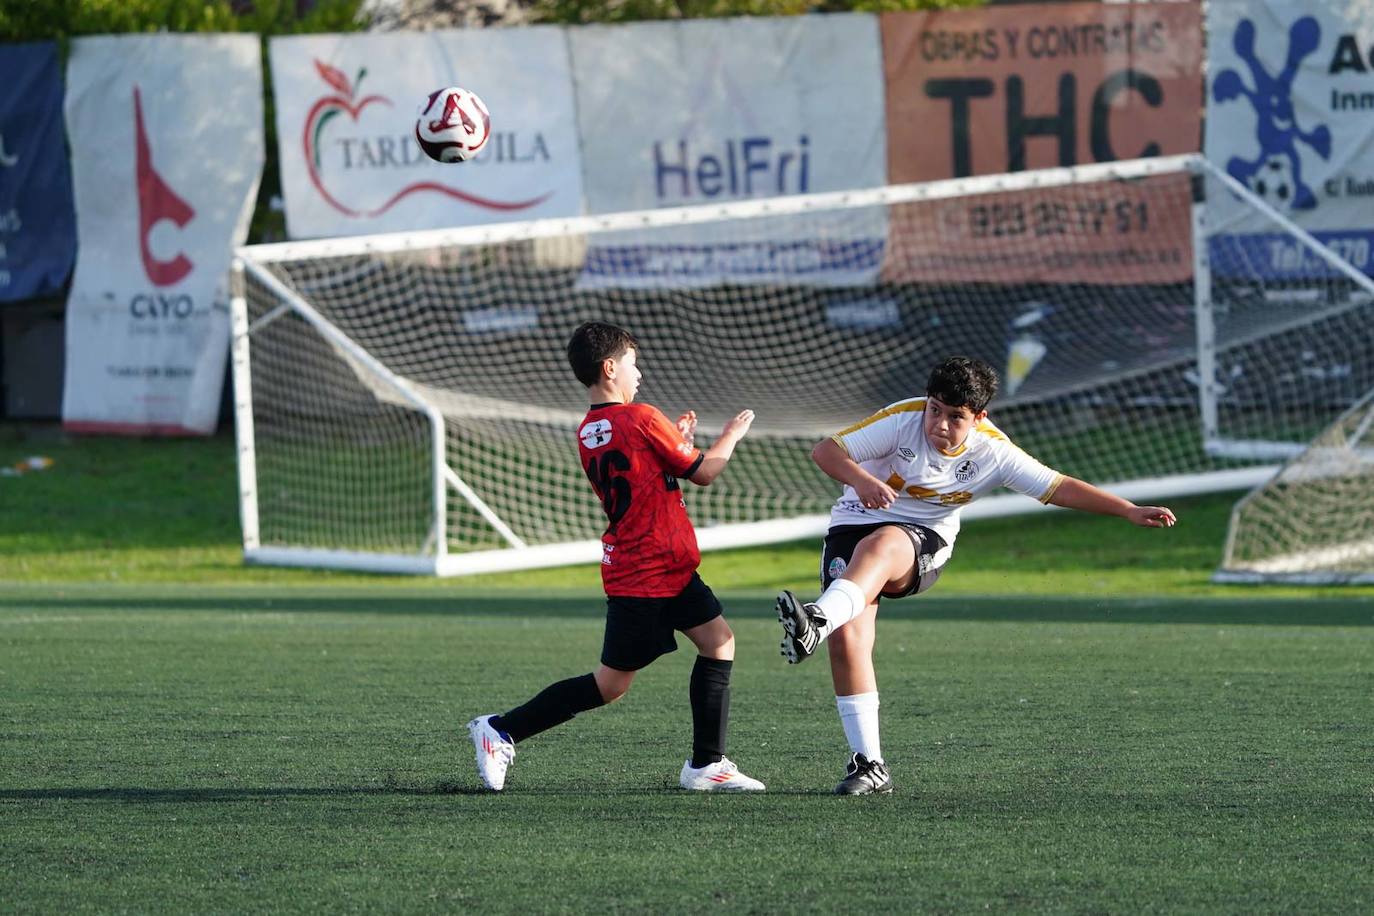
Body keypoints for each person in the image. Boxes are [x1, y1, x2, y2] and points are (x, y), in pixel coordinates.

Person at [776, 356, 1176, 796]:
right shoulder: (902, 418)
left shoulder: (993, 450)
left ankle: (815, 618)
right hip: (852, 522)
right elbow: (826, 451)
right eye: (935, 409)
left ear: (979, 417)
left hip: (922, 540)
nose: (940, 424)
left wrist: (1127, 509)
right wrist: (862, 481)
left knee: (883, 543)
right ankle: (870, 765)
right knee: (848, 638)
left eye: (955, 417)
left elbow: (1056, 486)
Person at [467, 321, 765, 792]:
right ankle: (501, 729)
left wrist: (675, 437)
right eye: (632, 363)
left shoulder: (589, 430)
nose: (639, 372)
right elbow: (704, 472)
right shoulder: (642, 417)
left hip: (664, 567)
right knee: (610, 685)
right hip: (644, 574)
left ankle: (707, 764)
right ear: (610, 368)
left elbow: (648, 466)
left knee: (719, 641)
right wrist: (730, 435)